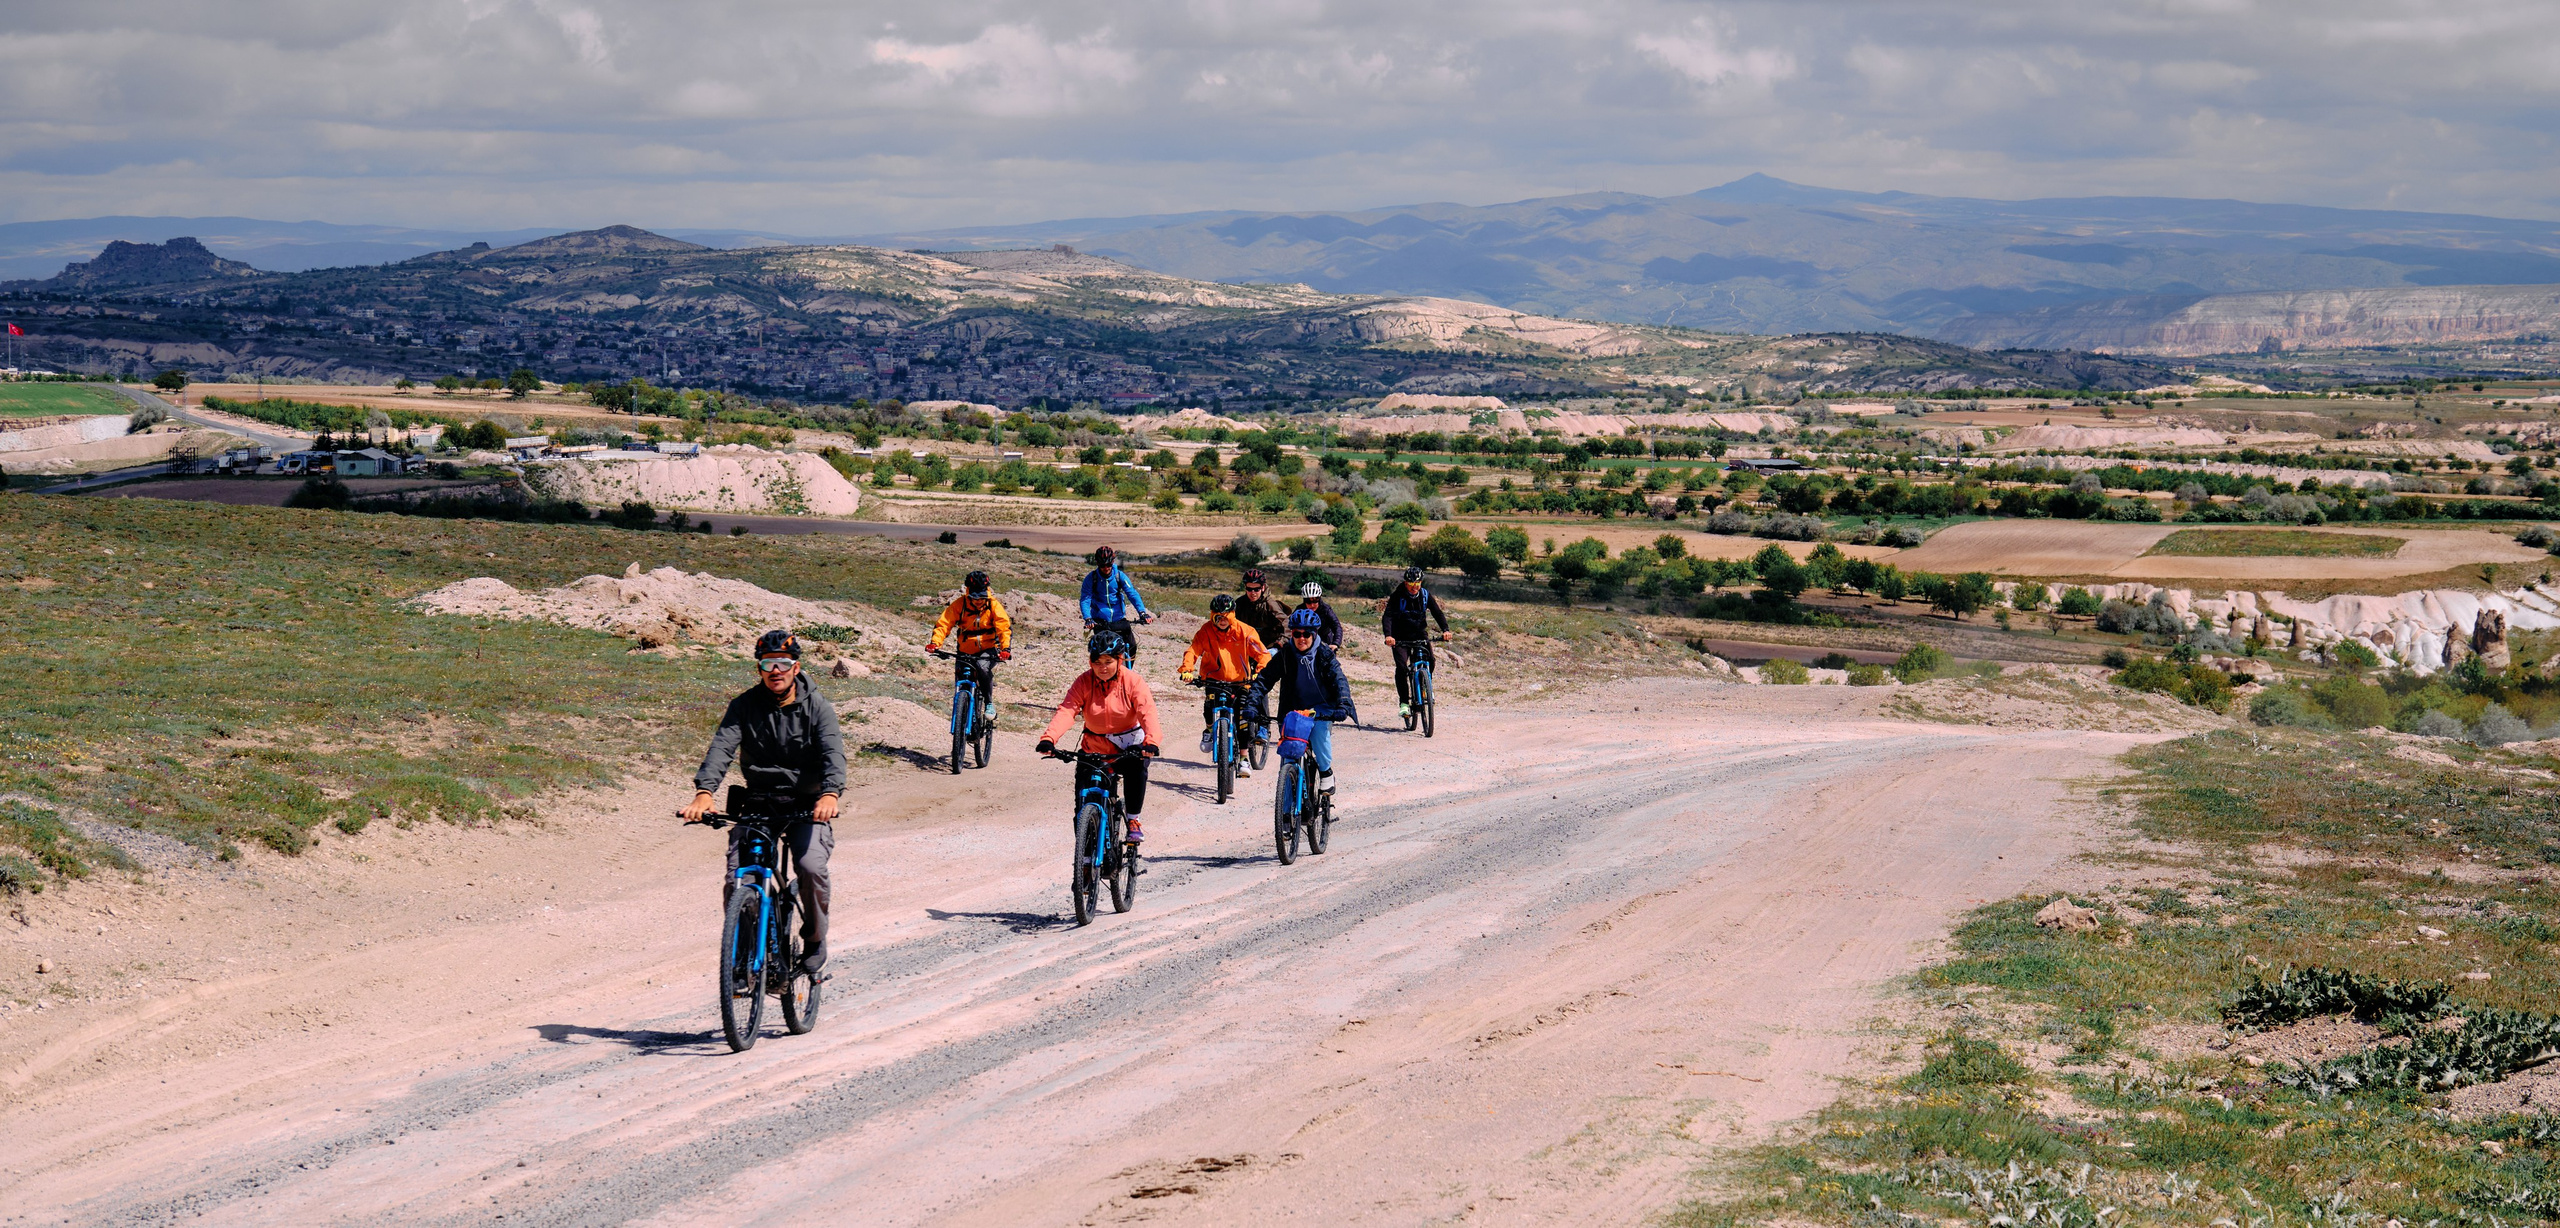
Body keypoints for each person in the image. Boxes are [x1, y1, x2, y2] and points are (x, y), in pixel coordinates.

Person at [680, 630, 845, 985]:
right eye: (768, 664)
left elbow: (833, 753)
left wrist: (830, 795)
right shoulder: (744, 705)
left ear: (795, 667)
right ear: (759, 669)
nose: (776, 671)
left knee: (810, 865)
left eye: (783, 664)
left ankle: (814, 940)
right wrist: (704, 793)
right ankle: (741, 955)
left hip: (806, 805)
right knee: (738, 878)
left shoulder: (818, 706)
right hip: (759, 802)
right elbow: (721, 748)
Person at [1036, 629, 1165, 846]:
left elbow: (1147, 712)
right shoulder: (1083, 682)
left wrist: (1151, 742)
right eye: (1097, 662)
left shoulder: (1133, 682)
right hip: (1094, 746)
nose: (1102, 667)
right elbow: (1067, 710)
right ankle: (1085, 861)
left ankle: (1133, 820)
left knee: (1136, 768)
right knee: (1082, 808)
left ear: (1120, 660)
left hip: (1128, 745)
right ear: (1090, 662)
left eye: (1108, 661)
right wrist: (1049, 739)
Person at [1252, 608, 1356, 798]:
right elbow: (1264, 680)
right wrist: (1251, 704)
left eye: (1306, 634)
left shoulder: (1324, 654)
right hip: (1293, 711)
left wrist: (1343, 705)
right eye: (1297, 634)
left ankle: (1326, 772)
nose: (1301, 638)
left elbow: (1339, 680)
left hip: (1321, 708)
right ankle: (1285, 817)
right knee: (1288, 759)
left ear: (1314, 634)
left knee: (1318, 732)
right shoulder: (1285, 655)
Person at [1177, 593, 1273, 763]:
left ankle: (1244, 758)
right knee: (1209, 706)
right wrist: (1187, 670)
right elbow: (1193, 651)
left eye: (1226, 617)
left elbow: (1263, 654)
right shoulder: (1205, 631)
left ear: (1232, 615)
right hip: (1214, 679)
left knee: (1242, 716)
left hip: (1241, 681)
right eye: (1218, 617)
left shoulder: (1245, 631)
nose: (1222, 621)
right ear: (1212, 615)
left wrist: (1260, 671)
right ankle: (1208, 731)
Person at [925, 569, 1012, 722]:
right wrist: (935, 643)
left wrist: (1005, 649)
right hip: (965, 650)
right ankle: (961, 716)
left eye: (981, 597)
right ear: (968, 592)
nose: (978, 600)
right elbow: (944, 624)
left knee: (982, 668)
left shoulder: (993, 606)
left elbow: (1003, 628)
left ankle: (989, 703)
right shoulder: (960, 605)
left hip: (988, 649)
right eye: (974, 597)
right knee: (960, 677)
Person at [1380, 566, 1451, 722]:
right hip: (1400, 638)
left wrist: (1445, 630)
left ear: (1421, 583)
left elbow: (1437, 613)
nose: (1414, 588)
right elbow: (1388, 617)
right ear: (1405, 583)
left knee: (1430, 660)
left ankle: (1426, 688)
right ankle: (1404, 703)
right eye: (1411, 584)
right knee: (1402, 668)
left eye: (1417, 584)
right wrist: (1388, 635)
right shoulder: (1397, 596)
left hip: (1419, 634)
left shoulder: (1425, 595)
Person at [1079, 545, 1152, 662]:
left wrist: (1142, 613)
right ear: (1097, 563)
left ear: (1113, 562)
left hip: (1118, 619)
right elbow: (1085, 599)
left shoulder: (1119, 576)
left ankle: (1127, 673)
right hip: (1100, 620)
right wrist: (1088, 618)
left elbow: (1132, 594)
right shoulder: (1091, 578)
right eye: (1102, 565)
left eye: (1108, 564)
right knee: (1100, 652)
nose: (1106, 568)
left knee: (1131, 647)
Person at [1294, 580, 1343, 649]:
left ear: (1319, 598)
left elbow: (1337, 627)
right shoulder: (1299, 610)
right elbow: (1290, 626)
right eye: (1308, 601)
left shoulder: (1326, 610)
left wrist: (1335, 643)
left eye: (1315, 601)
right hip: (1305, 642)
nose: (1312, 605)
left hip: (1324, 642)